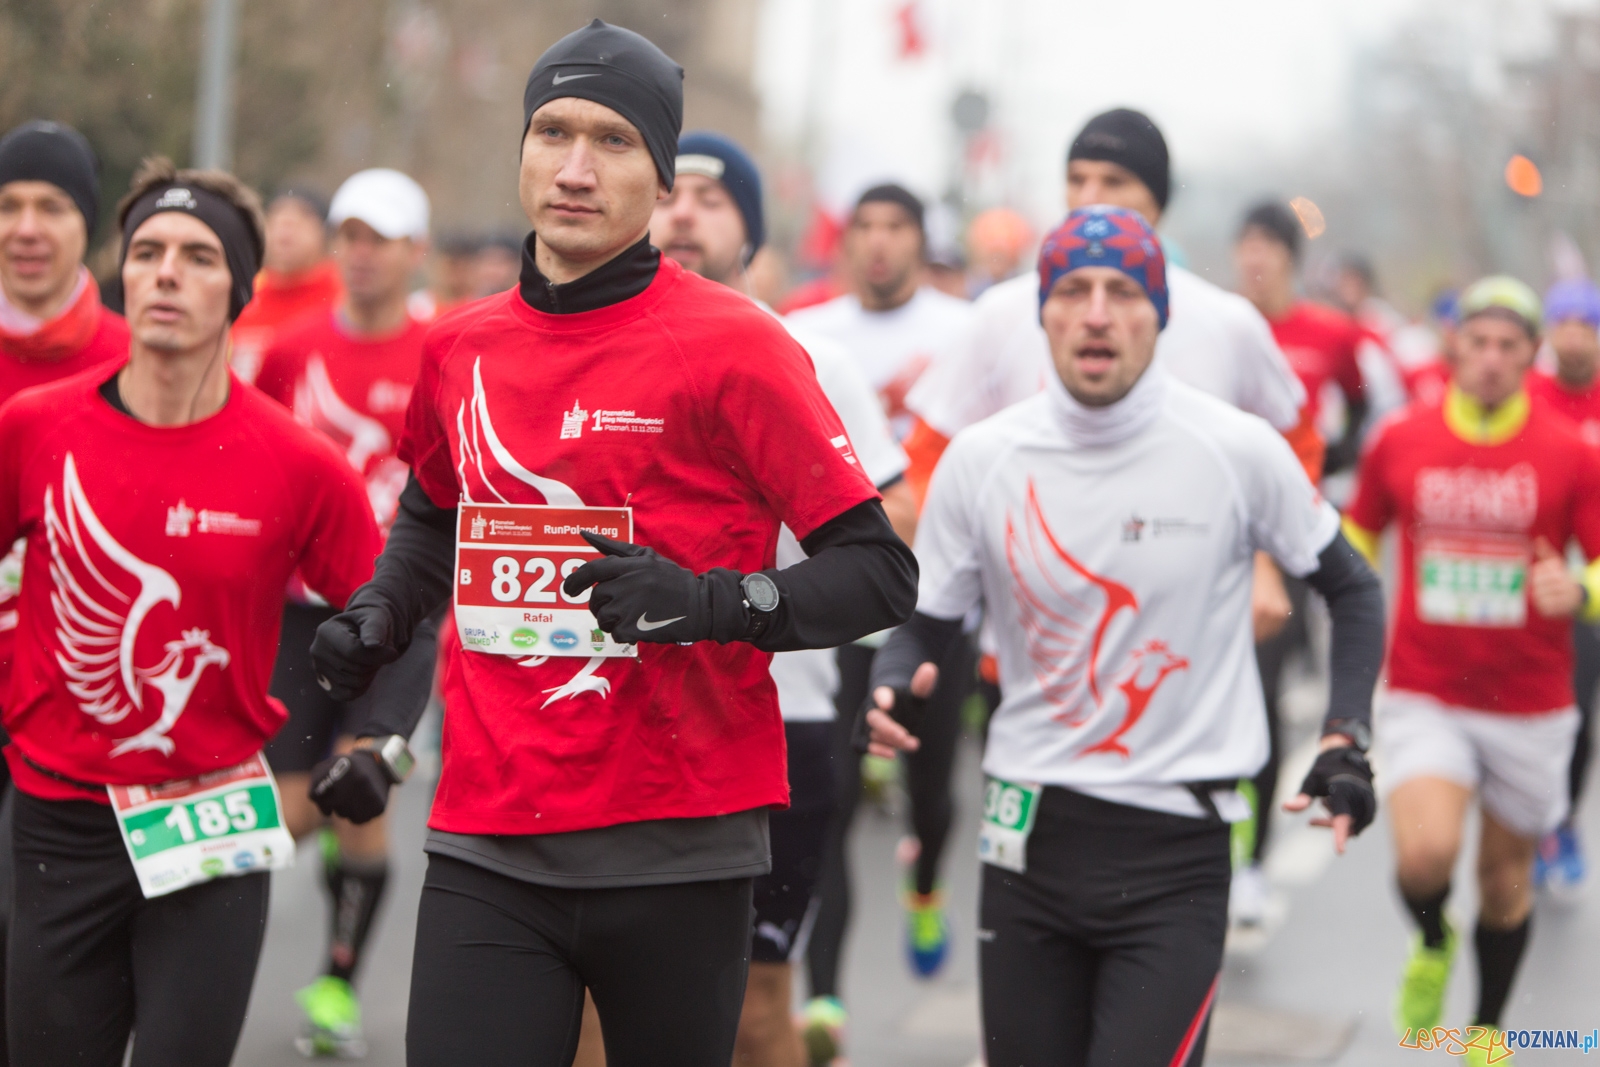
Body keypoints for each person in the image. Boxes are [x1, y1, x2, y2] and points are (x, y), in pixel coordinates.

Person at [302, 21, 917, 1066]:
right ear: (524, 149)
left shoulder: (739, 345)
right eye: (553, 132)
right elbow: (432, 514)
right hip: (488, 830)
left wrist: (714, 602)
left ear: (661, 175)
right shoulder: (458, 343)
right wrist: (381, 610)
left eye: (614, 141)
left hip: (678, 840)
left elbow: (878, 571)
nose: (576, 168)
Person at [864, 206, 1383, 1067]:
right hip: (1026, 833)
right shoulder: (982, 458)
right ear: (1043, 314)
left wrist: (1346, 734)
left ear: (1160, 313)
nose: (1097, 312)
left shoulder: (1237, 450)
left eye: (1122, 291)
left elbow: (1353, 588)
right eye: (1072, 290)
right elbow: (929, 617)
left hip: (1176, 846)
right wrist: (895, 671)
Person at [0, 157, 380, 1067]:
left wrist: (372, 742)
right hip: (59, 819)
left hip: (211, 821)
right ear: (124, 275)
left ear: (239, 290)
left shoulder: (297, 462)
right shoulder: (34, 429)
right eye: (149, 252)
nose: (167, 270)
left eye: (199, 256)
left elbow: (389, 615)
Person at [900, 108, 1312, 926]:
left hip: (1181, 629)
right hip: (1032, 633)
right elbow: (928, 454)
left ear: (1156, 202)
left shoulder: (1225, 323)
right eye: (1077, 180)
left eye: (1115, 183)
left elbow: (1294, 441)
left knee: (1159, 877)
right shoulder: (1004, 313)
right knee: (1026, 850)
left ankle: (1188, 924)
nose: (1091, 197)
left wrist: (1268, 560)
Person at [650, 128, 916, 1067]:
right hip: (620, 715)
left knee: (757, 1007)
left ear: (753, 236)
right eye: (669, 190)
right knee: (600, 1003)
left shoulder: (811, 358)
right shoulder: (592, 357)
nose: (683, 211)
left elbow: (889, 530)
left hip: (775, 721)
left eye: (713, 200)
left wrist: (760, 605)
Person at [1343, 276, 1600, 1062]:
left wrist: (1582, 587)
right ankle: (1431, 937)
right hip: (1428, 691)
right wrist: (1347, 612)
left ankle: (1485, 1030)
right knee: (1423, 856)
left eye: (1508, 345)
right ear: (1455, 345)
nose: (1490, 359)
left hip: (1529, 701)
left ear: (1534, 353)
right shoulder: (1401, 438)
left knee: (1503, 882)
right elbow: (1356, 537)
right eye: (1478, 342)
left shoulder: (1571, 454)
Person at [254, 166, 435, 1058]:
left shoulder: (441, 353)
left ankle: (335, 982)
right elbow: (252, 463)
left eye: (380, 239)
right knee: (288, 806)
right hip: (297, 614)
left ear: (414, 252)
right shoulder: (291, 351)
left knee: (363, 799)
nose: (360, 254)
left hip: (398, 616)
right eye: (349, 236)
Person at [788, 179, 978, 989]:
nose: (878, 241)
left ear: (919, 239)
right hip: (840, 591)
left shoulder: (964, 333)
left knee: (929, 789)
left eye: (896, 225)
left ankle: (926, 879)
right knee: (826, 797)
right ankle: (825, 994)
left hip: (935, 597)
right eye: (864, 225)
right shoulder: (805, 333)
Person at [0, 116, 130, 1065]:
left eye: (51, 205)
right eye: (8, 205)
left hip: (83, 703)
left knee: (49, 972)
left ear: (89, 225)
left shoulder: (145, 355)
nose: (27, 226)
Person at [1526, 277, 1600, 895]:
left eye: (1587, 326)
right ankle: (1533, 823)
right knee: (1542, 709)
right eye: (1566, 325)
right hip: (1535, 581)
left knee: (1580, 718)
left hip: (1594, 584)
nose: (1575, 337)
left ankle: (1562, 819)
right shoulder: (1529, 396)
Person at [230, 186, 340, 383]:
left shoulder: (344, 297)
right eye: (276, 215)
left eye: (303, 216)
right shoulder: (241, 293)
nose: (287, 225)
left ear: (325, 233)